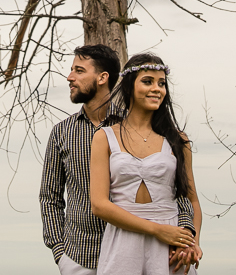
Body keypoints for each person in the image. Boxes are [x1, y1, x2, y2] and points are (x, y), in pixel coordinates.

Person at [41, 45, 197, 275]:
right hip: (82, 255)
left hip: (144, 246)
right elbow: (49, 196)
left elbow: (176, 191)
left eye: (79, 70)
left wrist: (186, 233)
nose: (70, 77)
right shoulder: (62, 132)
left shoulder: (141, 126)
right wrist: (60, 251)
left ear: (103, 77)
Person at [89, 53, 203, 275]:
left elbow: (193, 200)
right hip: (123, 240)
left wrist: (192, 243)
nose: (157, 89)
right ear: (130, 87)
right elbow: (99, 205)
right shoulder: (104, 137)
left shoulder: (179, 140)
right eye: (148, 81)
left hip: (171, 244)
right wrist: (157, 230)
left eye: (161, 84)